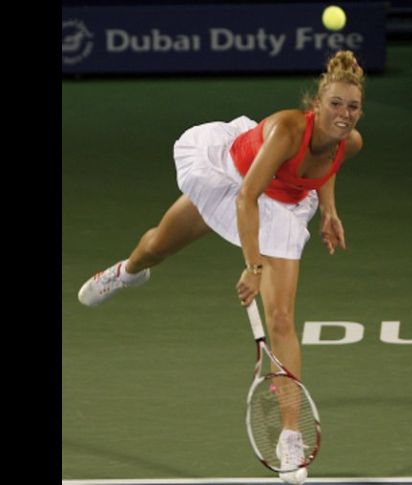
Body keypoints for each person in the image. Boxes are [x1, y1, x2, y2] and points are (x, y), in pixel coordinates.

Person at [76, 50, 365, 485]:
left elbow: (329, 163)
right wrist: (254, 266)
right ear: (316, 106)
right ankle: (127, 271)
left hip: (282, 206)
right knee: (157, 245)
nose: (344, 115)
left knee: (282, 319)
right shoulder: (288, 129)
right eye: (336, 105)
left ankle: (289, 436)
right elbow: (246, 198)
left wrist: (329, 210)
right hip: (233, 179)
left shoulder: (351, 141)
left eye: (353, 107)